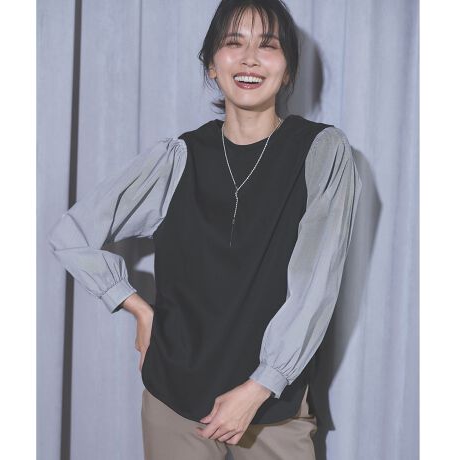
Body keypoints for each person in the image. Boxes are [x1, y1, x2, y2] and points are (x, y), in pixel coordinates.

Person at [47, 0, 362, 458]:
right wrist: (137, 308)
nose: (249, 58)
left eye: (268, 45)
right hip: (174, 402)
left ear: (288, 70)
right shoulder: (177, 158)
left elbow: (315, 287)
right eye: (234, 43)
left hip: (272, 408)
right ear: (212, 64)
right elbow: (70, 234)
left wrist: (260, 386)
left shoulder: (321, 151)